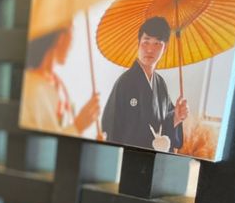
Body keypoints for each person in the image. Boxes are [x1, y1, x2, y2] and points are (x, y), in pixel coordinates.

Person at [101, 16, 188, 152]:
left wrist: (176, 117)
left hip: (154, 158)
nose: (150, 50)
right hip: (129, 158)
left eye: (157, 43)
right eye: (146, 42)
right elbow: (110, 129)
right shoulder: (125, 83)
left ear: (165, 48)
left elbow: (164, 127)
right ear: (138, 43)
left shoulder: (161, 84)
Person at [20, 25, 100, 136]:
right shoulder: (32, 87)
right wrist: (78, 127)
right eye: (72, 30)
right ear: (60, 38)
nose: (72, 43)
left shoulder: (59, 85)